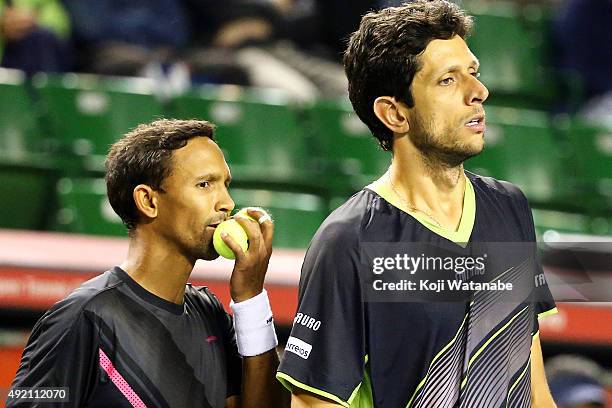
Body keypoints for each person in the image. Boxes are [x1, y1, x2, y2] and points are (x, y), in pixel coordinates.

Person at [276, 1, 558, 407]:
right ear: (393, 113)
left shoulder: (509, 208)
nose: (479, 92)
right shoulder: (349, 241)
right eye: (447, 80)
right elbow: (314, 402)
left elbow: (533, 386)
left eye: (473, 73)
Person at [7, 119, 289, 407]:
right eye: (204, 184)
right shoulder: (83, 317)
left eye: (225, 185)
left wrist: (251, 300)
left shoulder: (209, 313)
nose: (226, 203)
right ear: (148, 201)